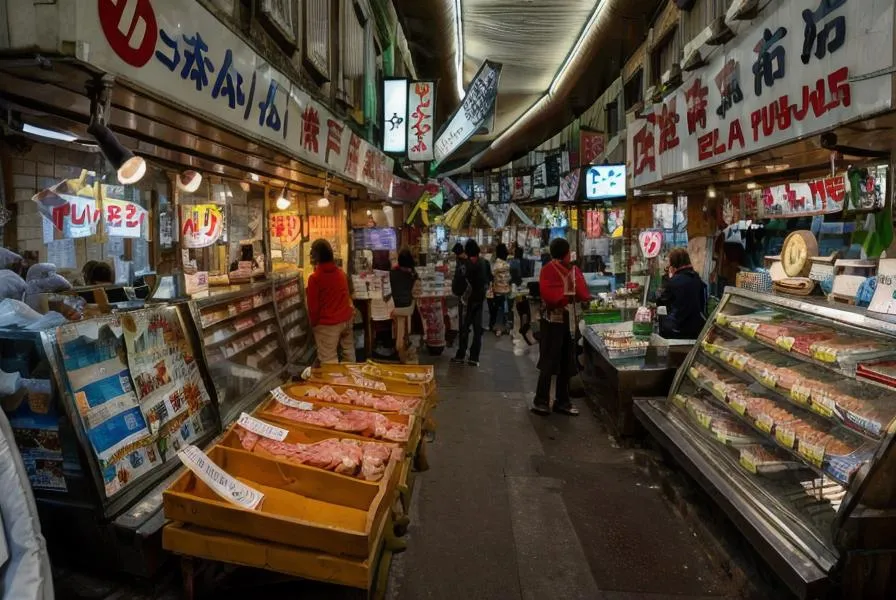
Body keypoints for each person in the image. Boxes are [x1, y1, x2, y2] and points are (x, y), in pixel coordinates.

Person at [532, 238, 590, 416]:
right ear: (567, 253)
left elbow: (551, 294)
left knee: (561, 361)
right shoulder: (570, 270)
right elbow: (582, 294)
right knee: (554, 361)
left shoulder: (549, 269)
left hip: (557, 321)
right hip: (560, 321)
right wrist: (569, 298)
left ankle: (555, 401)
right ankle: (550, 401)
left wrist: (565, 297)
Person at [306, 239, 356, 364]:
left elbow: (313, 309)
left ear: (316, 256)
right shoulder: (341, 274)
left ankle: (333, 383)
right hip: (346, 320)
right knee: (349, 356)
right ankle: (352, 381)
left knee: (329, 362)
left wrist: (314, 325)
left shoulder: (315, 279)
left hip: (328, 325)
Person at [656, 248, 707, 339]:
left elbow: (661, 301)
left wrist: (669, 278)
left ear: (674, 264)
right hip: (697, 328)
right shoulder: (697, 278)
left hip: (678, 329)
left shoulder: (674, 281)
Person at [451, 239, 488, 367]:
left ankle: (461, 354)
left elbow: (457, 285)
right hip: (479, 301)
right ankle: (474, 357)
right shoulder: (484, 263)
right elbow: (488, 280)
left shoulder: (463, 265)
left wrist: (457, 292)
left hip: (466, 302)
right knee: (477, 330)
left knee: (464, 328)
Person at [390, 248, 420, 363]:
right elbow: (416, 291)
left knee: (399, 322)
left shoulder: (392, 273)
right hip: (407, 307)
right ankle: (403, 345)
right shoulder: (412, 275)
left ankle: (399, 345)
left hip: (393, 308)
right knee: (406, 317)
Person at [509, 246, 535, 345]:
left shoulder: (512, 262)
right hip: (524, 289)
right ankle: (524, 325)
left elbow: (512, 276)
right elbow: (529, 273)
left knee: (516, 309)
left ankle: (517, 328)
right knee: (524, 308)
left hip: (515, 289)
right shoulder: (526, 261)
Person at [488, 243, 512, 336]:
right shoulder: (506, 264)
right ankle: (501, 327)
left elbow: (493, 276)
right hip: (505, 290)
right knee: (503, 309)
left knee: (499, 309)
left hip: (497, 290)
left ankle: (497, 327)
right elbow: (509, 278)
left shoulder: (496, 264)